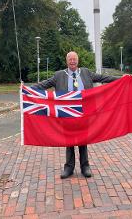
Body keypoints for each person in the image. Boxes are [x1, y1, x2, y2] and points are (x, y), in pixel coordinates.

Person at [35, 51, 118, 179]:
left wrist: (121, 79)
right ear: (66, 61)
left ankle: (85, 166)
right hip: (66, 112)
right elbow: (44, 84)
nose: (72, 61)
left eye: (74, 59)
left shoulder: (86, 72)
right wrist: (27, 88)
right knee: (69, 140)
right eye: (70, 59)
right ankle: (69, 167)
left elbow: (103, 78)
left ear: (77, 60)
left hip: (84, 112)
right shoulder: (59, 75)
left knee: (83, 139)